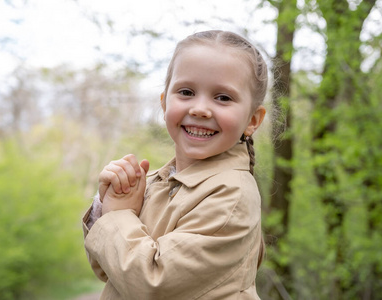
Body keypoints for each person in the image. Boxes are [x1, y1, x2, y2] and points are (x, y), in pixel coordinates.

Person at [82, 30, 268, 300]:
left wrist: (117, 216)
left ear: (252, 120)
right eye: (186, 92)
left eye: (223, 98)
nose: (200, 109)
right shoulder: (157, 181)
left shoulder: (231, 195)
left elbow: (152, 283)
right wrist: (107, 203)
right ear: (164, 102)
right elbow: (109, 270)